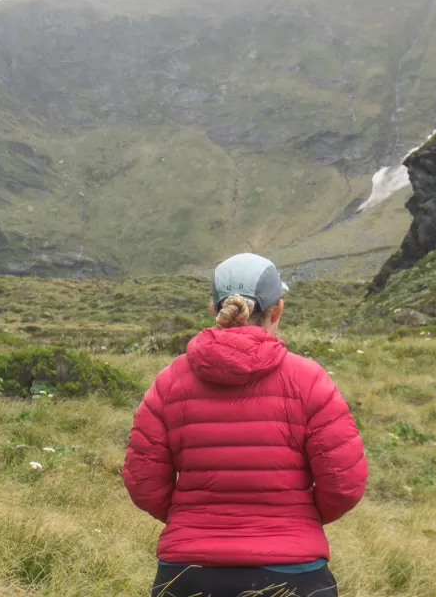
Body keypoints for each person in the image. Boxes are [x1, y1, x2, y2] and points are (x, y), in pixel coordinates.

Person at [123, 253, 368, 597]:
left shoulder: (170, 382)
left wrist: (192, 520)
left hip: (187, 573)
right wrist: (296, 522)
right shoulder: (310, 380)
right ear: (277, 310)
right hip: (294, 573)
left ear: (214, 309)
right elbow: (344, 484)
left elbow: (143, 482)